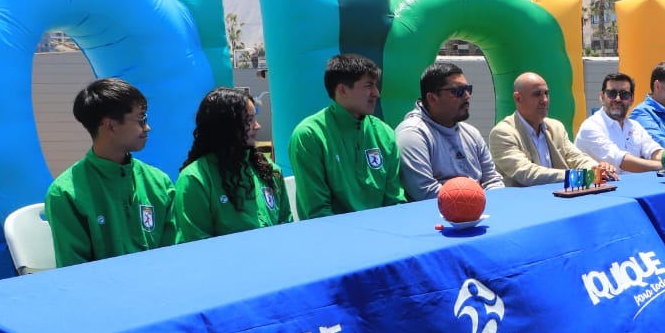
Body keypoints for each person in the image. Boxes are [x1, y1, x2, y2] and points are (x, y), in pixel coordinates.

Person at [44, 77, 175, 267]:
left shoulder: (159, 182)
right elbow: (73, 273)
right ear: (111, 126)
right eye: (141, 119)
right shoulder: (65, 193)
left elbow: (175, 255)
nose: (147, 127)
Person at [288, 53, 404, 219]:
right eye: (368, 86)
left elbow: (395, 201)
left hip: (385, 234)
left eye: (375, 86)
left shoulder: (384, 133)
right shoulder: (310, 136)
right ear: (342, 90)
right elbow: (318, 211)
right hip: (331, 239)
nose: (376, 93)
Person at [172, 88, 292, 242]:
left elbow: (286, 226)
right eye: (249, 120)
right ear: (225, 126)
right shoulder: (195, 179)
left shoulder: (269, 170)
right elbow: (197, 245)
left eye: (255, 118)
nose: (257, 126)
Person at [396, 62, 504, 200]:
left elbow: (492, 179)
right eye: (458, 91)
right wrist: (476, 199)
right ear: (432, 98)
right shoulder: (412, 134)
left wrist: (495, 202)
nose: (467, 96)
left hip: (480, 210)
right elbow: (425, 192)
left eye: (468, 89)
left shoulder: (471, 133)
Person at [490, 72, 619, 186]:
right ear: (518, 98)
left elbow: (576, 157)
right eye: (537, 94)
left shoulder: (556, 127)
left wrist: (596, 169)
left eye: (546, 93)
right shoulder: (503, 133)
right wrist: (582, 177)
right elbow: (526, 173)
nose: (544, 100)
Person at [573, 72, 664, 172]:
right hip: (604, 187)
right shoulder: (591, 127)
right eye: (611, 94)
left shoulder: (635, 126)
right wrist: (664, 166)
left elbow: (654, 151)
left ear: (632, 99)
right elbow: (622, 161)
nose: (617, 99)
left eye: (624, 95)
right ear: (602, 97)